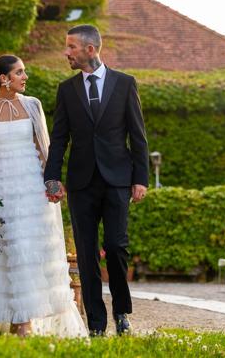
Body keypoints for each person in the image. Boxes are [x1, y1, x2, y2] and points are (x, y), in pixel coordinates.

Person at [0, 54, 87, 338]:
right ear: (4, 79)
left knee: (26, 250)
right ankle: (14, 316)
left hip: (29, 187)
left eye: (24, 72)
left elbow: (45, 148)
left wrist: (51, 182)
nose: (25, 77)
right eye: (19, 73)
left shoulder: (32, 105)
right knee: (4, 248)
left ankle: (24, 322)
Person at [44, 24, 149, 336]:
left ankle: (122, 313)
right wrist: (52, 177)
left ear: (91, 49)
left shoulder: (125, 84)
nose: (67, 53)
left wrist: (140, 177)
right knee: (87, 253)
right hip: (81, 183)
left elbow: (138, 136)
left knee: (116, 247)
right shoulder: (66, 89)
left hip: (118, 180)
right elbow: (59, 138)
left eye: (71, 47)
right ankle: (97, 324)